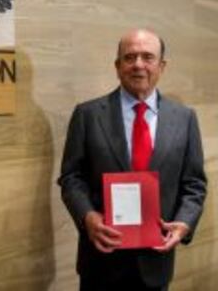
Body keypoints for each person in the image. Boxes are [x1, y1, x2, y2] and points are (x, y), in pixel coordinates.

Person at [58, 29, 207, 291]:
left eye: (147, 57)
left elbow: (194, 183)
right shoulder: (87, 114)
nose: (138, 64)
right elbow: (71, 177)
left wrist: (184, 224)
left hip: (156, 262)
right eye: (130, 57)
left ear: (162, 66)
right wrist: (87, 217)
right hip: (100, 261)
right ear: (117, 66)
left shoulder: (184, 118)